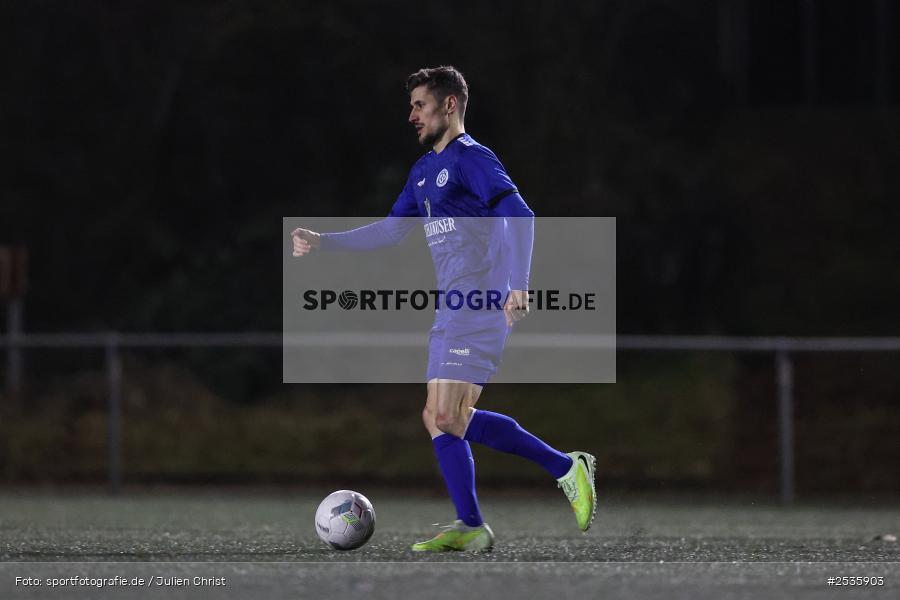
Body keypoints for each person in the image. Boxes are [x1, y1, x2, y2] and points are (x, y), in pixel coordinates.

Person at [291, 66, 595, 552]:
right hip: (452, 306)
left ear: (449, 104)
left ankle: (564, 467)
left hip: (479, 302)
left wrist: (519, 284)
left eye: (420, 104)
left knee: (447, 416)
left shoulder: (472, 159)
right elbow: (391, 231)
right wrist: (324, 242)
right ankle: (471, 524)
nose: (411, 114)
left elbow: (521, 214)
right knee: (439, 418)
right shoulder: (422, 172)